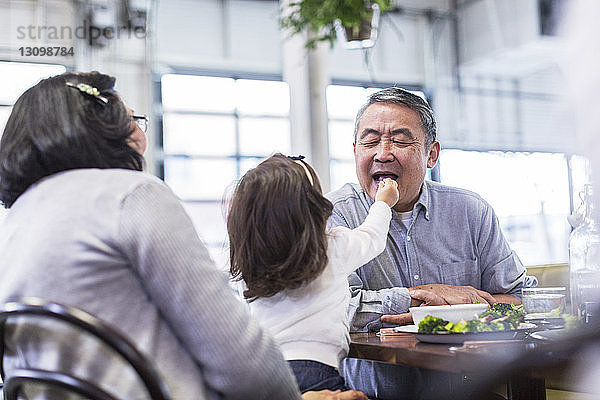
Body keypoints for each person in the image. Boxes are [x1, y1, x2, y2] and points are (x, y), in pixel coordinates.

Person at [0, 71, 366, 400]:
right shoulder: (131, 195)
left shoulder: (15, 224)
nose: (140, 133)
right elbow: (241, 361)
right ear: (104, 131)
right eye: (132, 119)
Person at [325, 87, 526, 399]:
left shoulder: (470, 211)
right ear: (355, 150)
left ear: (431, 154)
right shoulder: (332, 215)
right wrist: (422, 298)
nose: (382, 153)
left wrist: (459, 310)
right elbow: (337, 309)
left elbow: (518, 299)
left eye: (400, 140)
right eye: (370, 140)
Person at [227, 153, 399, 394]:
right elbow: (373, 236)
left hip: (263, 372)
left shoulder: (247, 263)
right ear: (313, 209)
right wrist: (383, 203)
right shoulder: (331, 247)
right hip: (316, 372)